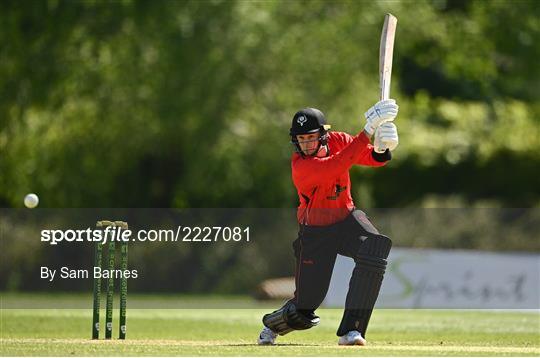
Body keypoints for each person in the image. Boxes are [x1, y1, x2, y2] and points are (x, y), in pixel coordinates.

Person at [257, 100, 399, 346]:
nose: (306, 144)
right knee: (305, 309)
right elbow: (337, 165)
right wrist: (367, 131)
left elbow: (370, 159)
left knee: (375, 248)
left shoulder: (339, 141)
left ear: (323, 135)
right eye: (301, 139)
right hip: (316, 232)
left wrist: (382, 146)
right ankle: (272, 325)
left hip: (346, 218)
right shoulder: (301, 167)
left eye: (311, 138)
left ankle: (352, 330)